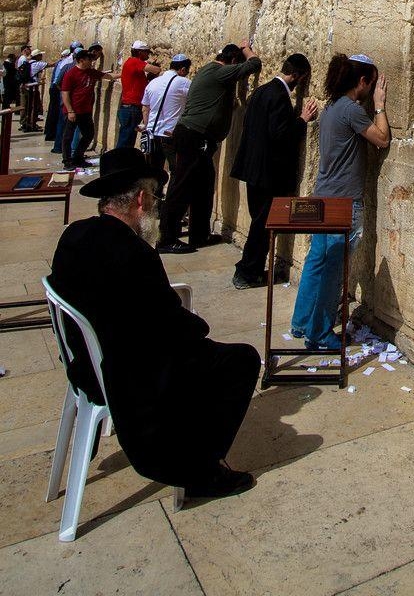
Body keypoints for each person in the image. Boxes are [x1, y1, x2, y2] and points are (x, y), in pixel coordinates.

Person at [48, 148, 260, 498]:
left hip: (84, 365)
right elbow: (172, 327)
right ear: (141, 200)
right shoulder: (134, 254)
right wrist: (198, 327)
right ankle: (201, 470)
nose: (159, 206)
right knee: (240, 361)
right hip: (127, 376)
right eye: (157, 198)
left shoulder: (73, 236)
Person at [291, 53, 390, 350]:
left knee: (316, 263)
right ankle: (320, 334)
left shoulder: (333, 106)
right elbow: (382, 139)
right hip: (343, 201)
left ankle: (302, 322)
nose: (372, 89)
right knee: (333, 270)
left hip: (323, 195)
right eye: (371, 84)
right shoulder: (351, 110)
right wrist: (380, 105)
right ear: (362, 82)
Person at [158, 41, 261, 254]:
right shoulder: (218, 71)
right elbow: (254, 65)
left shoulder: (209, 70)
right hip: (192, 137)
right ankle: (166, 238)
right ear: (232, 61)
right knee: (181, 186)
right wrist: (247, 50)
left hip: (199, 139)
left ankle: (200, 233)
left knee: (203, 186)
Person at [231, 53, 318, 290]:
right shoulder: (279, 96)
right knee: (264, 224)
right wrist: (301, 120)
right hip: (267, 173)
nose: (299, 84)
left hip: (253, 170)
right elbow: (281, 135)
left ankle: (251, 269)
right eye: (301, 79)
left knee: (260, 222)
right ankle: (247, 273)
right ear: (296, 75)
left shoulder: (261, 91)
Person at [139, 53, 192, 176]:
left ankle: (154, 194)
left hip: (152, 133)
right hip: (170, 133)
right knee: (176, 171)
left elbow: (145, 109)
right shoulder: (183, 82)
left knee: (153, 171)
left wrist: (147, 127)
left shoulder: (153, 83)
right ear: (183, 69)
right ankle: (172, 195)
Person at [61, 49, 113, 170]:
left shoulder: (90, 72)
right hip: (74, 111)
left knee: (89, 134)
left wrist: (124, 74)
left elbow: (107, 76)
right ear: (81, 60)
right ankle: (67, 161)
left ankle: (78, 157)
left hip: (85, 111)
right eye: (89, 59)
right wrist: (70, 111)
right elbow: (65, 93)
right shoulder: (71, 74)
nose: (91, 61)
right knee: (68, 136)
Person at [116, 41, 161, 149]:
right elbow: (156, 70)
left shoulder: (132, 64)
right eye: (146, 52)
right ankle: (118, 164)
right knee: (126, 140)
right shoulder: (134, 62)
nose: (148, 55)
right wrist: (152, 64)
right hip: (131, 108)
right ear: (140, 52)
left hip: (131, 107)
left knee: (128, 139)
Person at [51, 42, 84, 155]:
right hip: (68, 102)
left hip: (68, 101)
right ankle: (67, 151)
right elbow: (58, 82)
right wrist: (66, 93)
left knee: (65, 126)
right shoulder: (69, 67)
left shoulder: (67, 64)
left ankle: (62, 148)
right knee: (67, 127)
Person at [44, 49, 71, 140]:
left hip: (55, 88)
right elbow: (59, 81)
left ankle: (50, 134)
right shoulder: (67, 63)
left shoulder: (61, 62)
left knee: (53, 112)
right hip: (58, 89)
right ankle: (56, 140)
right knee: (60, 116)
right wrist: (63, 91)